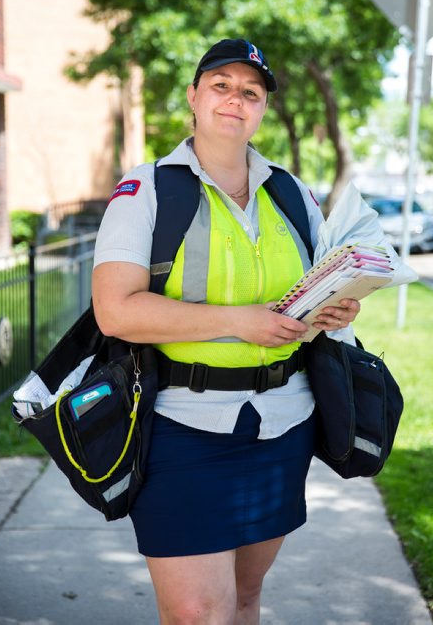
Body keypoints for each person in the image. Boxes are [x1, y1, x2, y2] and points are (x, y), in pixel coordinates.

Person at [92, 38, 360, 625]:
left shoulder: (292, 194)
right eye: (221, 85)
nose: (234, 100)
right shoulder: (148, 190)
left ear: (262, 109)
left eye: (250, 92)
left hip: (284, 424)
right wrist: (239, 321)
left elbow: (313, 292)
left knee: (243, 599)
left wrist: (333, 311)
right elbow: (115, 311)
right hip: (180, 428)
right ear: (193, 96)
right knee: (196, 613)